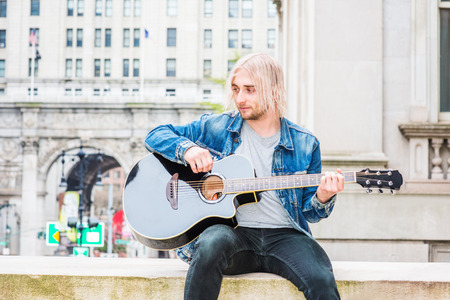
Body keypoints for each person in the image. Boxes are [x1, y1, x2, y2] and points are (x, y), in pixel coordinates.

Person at [145, 53, 344, 299]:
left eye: (250, 90)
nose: (240, 98)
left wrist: (323, 196)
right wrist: (189, 149)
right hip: (234, 234)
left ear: (273, 91)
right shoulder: (217, 128)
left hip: (285, 236)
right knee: (210, 243)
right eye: (236, 89)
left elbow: (310, 214)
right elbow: (155, 135)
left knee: (321, 278)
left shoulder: (305, 143)